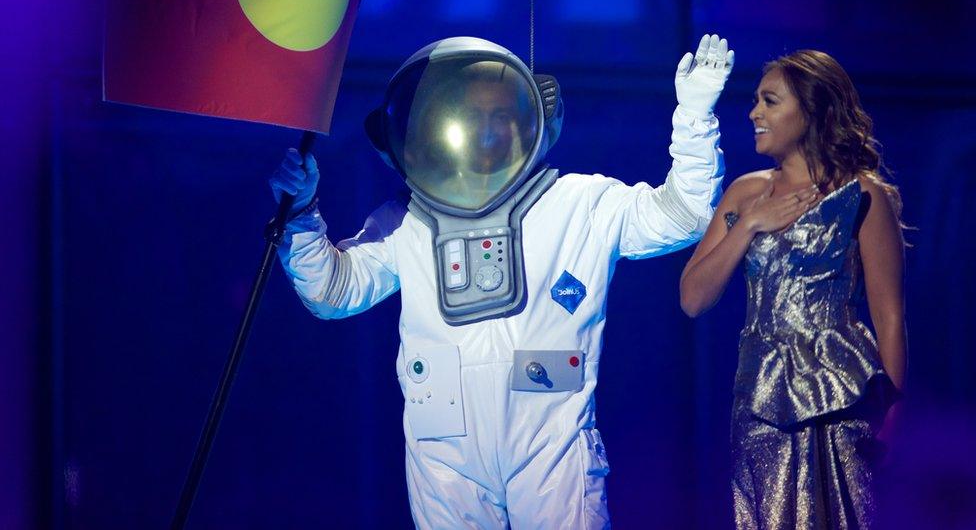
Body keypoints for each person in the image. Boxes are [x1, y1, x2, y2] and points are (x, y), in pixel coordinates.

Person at [271, 34, 734, 528]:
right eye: (473, 116)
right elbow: (332, 290)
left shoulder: (579, 204)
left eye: (500, 116)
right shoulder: (406, 222)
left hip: (550, 437)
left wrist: (695, 119)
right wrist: (299, 214)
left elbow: (684, 213)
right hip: (445, 447)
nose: (486, 131)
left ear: (528, 122)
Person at [679, 50, 907, 529]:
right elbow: (693, 298)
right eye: (756, 102)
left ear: (811, 110)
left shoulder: (865, 195)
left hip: (843, 401)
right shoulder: (745, 193)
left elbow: (889, 315)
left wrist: (894, 417)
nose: (753, 113)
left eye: (769, 101)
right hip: (761, 400)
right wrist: (750, 226)